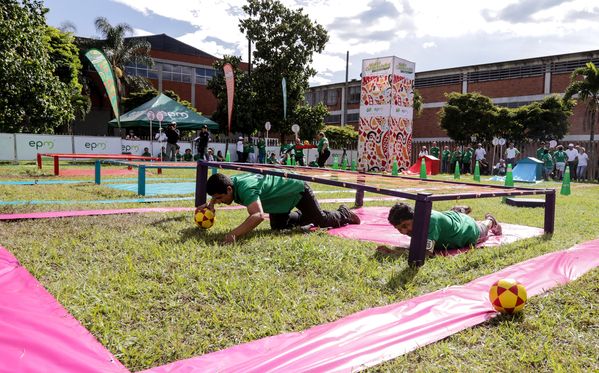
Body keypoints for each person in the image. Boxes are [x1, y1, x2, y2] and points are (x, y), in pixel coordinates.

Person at [200, 173, 361, 244]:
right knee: (278, 226)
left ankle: (344, 213)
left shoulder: (246, 189)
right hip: (280, 197)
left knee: (321, 221)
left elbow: (258, 216)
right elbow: (219, 193)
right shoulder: (230, 182)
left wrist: (233, 234)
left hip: (296, 188)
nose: (219, 201)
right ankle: (308, 215)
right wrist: (211, 204)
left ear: (229, 190)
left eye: (219, 198)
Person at [376, 203, 502, 257]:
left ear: (415, 217)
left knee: (483, 228)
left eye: (405, 225)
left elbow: (425, 253)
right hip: (451, 218)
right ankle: (459, 210)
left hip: (468, 230)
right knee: (447, 218)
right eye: (399, 229)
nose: (403, 232)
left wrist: (393, 252)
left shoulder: (429, 221)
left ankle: (490, 220)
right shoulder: (416, 223)